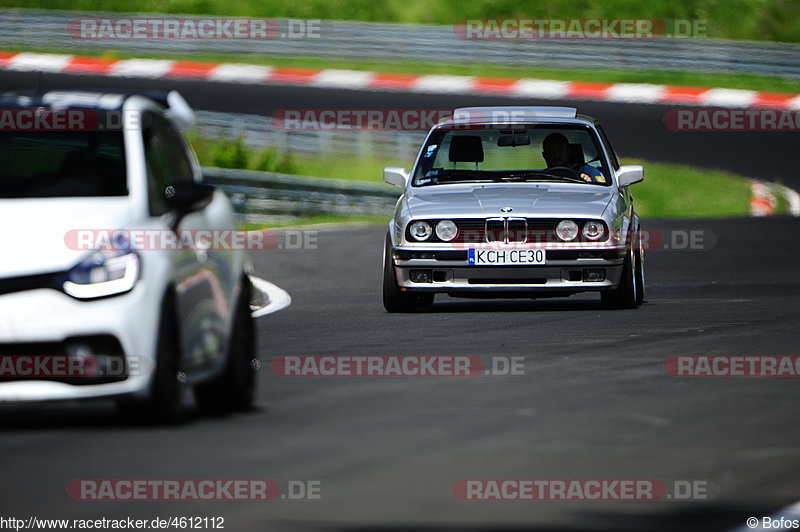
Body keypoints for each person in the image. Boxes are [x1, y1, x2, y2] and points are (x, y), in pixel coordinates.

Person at [541, 132, 606, 183]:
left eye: (560, 150)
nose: (556, 155)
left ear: (568, 152)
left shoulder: (589, 172)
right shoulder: (538, 177)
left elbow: (604, 193)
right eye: (550, 151)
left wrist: (590, 184)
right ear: (544, 155)